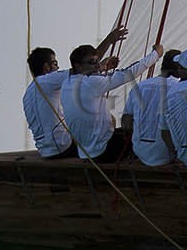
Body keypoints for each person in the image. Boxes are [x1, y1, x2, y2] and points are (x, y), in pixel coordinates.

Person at [22, 27, 128, 159]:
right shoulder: (47, 81)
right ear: (46, 67)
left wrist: (101, 67)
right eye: (55, 64)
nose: (58, 68)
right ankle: (102, 156)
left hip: (46, 150)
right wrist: (109, 40)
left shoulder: (28, 93)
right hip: (62, 147)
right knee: (110, 120)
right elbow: (81, 68)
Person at [61, 39, 162, 162]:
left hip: (85, 152)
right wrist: (155, 55)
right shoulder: (93, 82)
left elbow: (89, 79)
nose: (98, 65)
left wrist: (102, 68)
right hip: (103, 151)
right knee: (141, 130)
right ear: (78, 66)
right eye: (93, 62)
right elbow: (129, 73)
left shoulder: (67, 83)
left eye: (98, 61)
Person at [122, 48, 184, 166]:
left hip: (140, 151)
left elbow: (126, 121)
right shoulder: (179, 88)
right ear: (180, 68)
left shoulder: (139, 86)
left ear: (162, 66)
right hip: (166, 153)